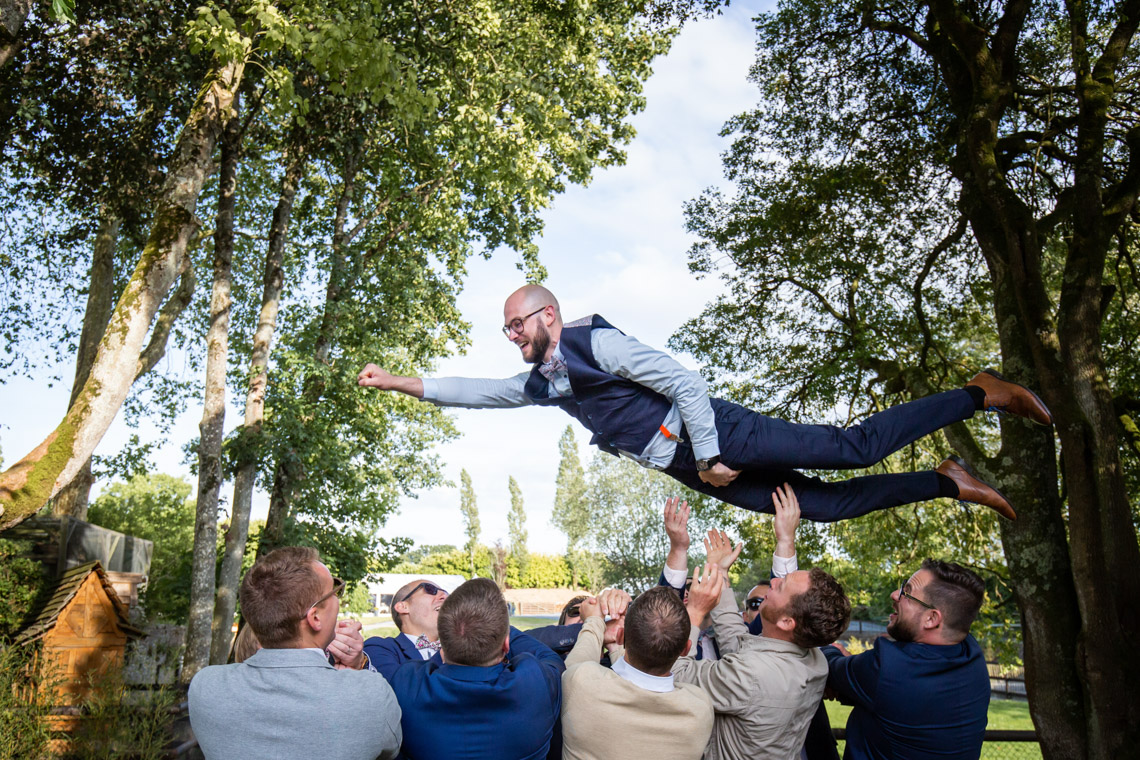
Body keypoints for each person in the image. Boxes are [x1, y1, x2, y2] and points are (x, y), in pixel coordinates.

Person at [359, 284, 1050, 521]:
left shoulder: (594, 344)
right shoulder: (543, 382)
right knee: (820, 508)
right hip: (692, 465)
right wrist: (399, 383)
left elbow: (684, 382)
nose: (511, 336)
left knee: (852, 447)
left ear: (550, 315)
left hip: (718, 436)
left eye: (518, 324)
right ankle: (944, 483)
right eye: (505, 329)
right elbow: (476, 392)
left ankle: (976, 395)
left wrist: (713, 457)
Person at [189, 547, 401, 760]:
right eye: (335, 591)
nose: (339, 599)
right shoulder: (371, 692)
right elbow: (390, 750)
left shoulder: (205, 686)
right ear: (315, 618)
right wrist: (358, 671)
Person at [672, 543, 851, 759]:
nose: (772, 582)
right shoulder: (815, 660)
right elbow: (736, 643)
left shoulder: (752, 674)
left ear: (786, 622)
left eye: (781, 585)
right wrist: (721, 574)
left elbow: (676, 674)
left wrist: (694, 611)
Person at [823, 560, 990, 760]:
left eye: (907, 593)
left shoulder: (890, 668)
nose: (895, 594)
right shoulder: (972, 655)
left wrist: (837, 655)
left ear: (931, 619)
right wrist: (859, 677)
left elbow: (831, 669)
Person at [388, 578, 564, 760]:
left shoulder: (406, 684)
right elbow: (550, 658)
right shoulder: (536, 682)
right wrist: (495, 625)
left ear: (442, 648)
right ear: (506, 643)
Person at [561, 586, 714, 760]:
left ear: (620, 636)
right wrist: (617, 648)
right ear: (686, 649)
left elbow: (577, 665)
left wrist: (595, 621)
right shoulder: (699, 708)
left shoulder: (582, 684)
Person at [364, 578, 450, 680]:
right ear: (403, 607)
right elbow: (397, 688)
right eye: (431, 589)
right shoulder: (378, 647)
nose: (444, 596)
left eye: (446, 594)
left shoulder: (467, 652)